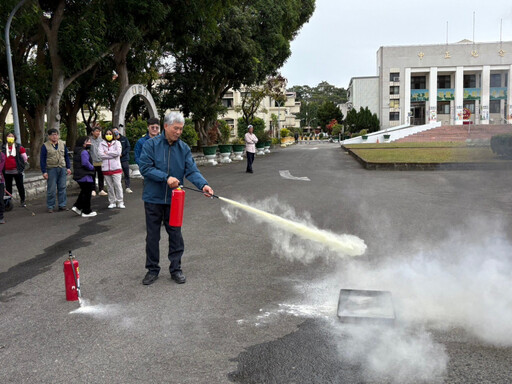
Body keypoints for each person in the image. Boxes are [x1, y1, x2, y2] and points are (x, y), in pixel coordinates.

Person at [139, 111, 214, 286]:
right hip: (153, 199)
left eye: (181, 129)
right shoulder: (151, 145)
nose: (179, 132)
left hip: (175, 200)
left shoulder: (184, 148)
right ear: (166, 126)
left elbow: (192, 170)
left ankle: (176, 269)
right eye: (176, 128)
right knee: (152, 236)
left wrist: (203, 185)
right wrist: (166, 177)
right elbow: (145, 168)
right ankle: (152, 269)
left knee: (175, 235)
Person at [40, 128, 71, 213]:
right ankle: (50, 206)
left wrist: (68, 167)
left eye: (56, 134)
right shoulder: (45, 146)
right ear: (49, 136)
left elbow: (66, 156)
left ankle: (62, 205)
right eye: (53, 135)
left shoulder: (62, 144)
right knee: (52, 189)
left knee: (62, 187)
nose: (55, 136)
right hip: (51, 168)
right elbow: (42, 159)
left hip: (62, 167)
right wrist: (44, 171)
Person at [72, 136, 97, 218]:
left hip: (79, 175)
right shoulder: (84, 152)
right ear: (83, 143)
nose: (89, 143)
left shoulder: (77, 151)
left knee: (83, 192)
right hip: (85, 175)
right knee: (87, 193)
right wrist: (92, 167)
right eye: (88, 141)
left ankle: (77, 207)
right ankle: (86, 211)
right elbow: (85, 163)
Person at [100, 128, 124, 209]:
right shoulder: (101, 144)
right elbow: (101, 155)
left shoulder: (117, 143)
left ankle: (120, 201)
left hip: (116, 168)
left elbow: (118, 153)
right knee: (109, 187)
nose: (108, 135)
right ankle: (112, 201)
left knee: (118, 185)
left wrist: (107, 152)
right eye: (107, 134)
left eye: (110, 134)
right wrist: (111, 155)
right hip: (106, 169)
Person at [1, 132, 28, 207]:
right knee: (8, 187)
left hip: (17, 170)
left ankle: (23, 200)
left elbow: (24, 158)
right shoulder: (3, 147)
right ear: (6, 138)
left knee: (20, 186)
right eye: (9, 136)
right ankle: (8, 203)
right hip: (6, 171)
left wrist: (22, 166)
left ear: (15, 138)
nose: (10, 137)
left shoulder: (19, 147)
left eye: (12, 136)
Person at [89, 125, 107, 197]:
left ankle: (101, 189)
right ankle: (93, 189)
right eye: (96, 131)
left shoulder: (102, 141)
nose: (98, 133)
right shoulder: (89, 140)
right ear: (92, 132)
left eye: (99, 131)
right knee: (92, 175)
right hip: (92, 161)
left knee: (101, 176)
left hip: (101, 161)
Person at [113, 125, 132, 193]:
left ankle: (127, 187)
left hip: (124, 159)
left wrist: (122, 153)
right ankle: (118, 187)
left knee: (126, 173)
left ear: (118, 131)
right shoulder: (112, 140)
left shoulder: (124, 138)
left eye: (116, 131)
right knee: (117, 174)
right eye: (113, 131)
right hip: (116, 159)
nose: (115, 132)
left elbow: (128, 147)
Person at [0, 151, 5, 224]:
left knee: (0, 199)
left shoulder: (1, 155)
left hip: (0, 181)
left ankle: (1, 217)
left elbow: (1, 166)